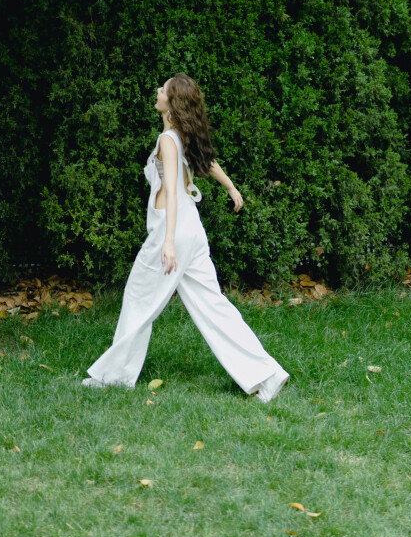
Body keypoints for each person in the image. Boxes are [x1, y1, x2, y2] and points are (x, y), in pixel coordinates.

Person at [81, 73, 288, 402]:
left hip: (173, 231)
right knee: (214, 306)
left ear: (172, 104)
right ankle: (267, 375)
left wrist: (167, 242)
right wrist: (231, 187)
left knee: (137, 300)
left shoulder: (168, 139)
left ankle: (113, 378)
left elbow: (174, 192)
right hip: (191, 231)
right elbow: (209, 164)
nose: (157, 90)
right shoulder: (181, 135)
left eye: (162, 89)